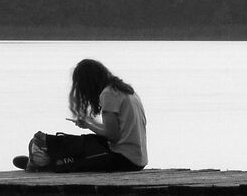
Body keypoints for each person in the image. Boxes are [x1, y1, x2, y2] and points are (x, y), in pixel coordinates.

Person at [14, 59, 147, 172]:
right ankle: (45, 157)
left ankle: (44, 157)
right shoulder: (124, 91)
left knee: (81, 154)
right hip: (136, 159)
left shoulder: (108, 94)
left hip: (124, 160)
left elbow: (113, 135)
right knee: (88, 142)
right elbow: (117, 131)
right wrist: (90, 122)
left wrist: (89, 125)